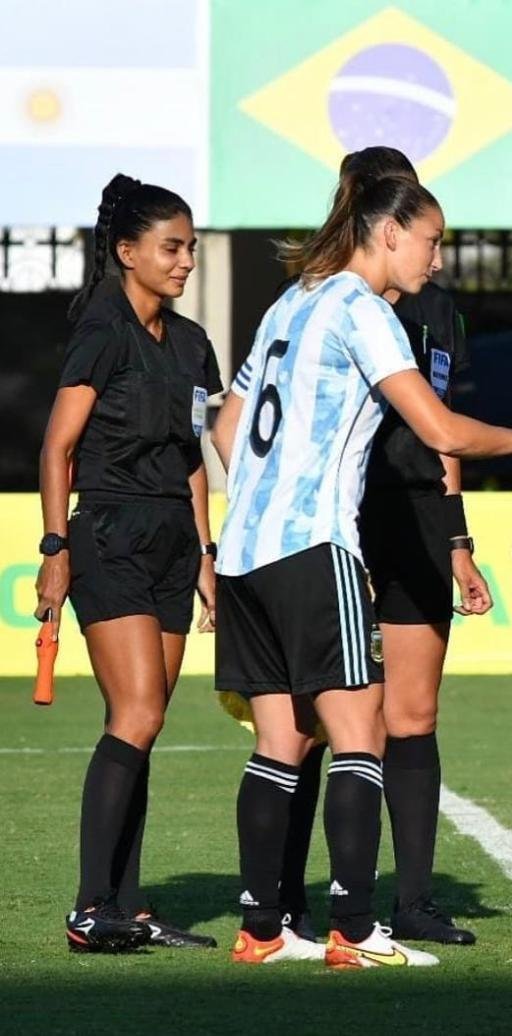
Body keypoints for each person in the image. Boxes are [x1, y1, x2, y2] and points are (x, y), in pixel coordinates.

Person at [211, 174, 512, 968]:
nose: (438, 259)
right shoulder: (363, 309)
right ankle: (356, 929)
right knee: (362, 735)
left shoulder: (291, 300)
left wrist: (270, 493)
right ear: (389, 231)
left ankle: (262, 931)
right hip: (311, 545)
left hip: (243, 551)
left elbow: (228, 423)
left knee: (278, 742)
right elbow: (438, 428)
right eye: (432, 240)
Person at [36, 174, 221, 952]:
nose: (185, 262)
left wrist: (208, 553)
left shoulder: (190, 342)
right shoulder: (102, 331)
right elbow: (57, 447)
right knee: (136, 714)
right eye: (171, 248)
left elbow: (193, 457)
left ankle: (130, 906)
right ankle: (90, 907)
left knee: (146, 724)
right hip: (108, 536)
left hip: (176, 542)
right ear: (127, 251)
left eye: (190, 248)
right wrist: (54, 548)